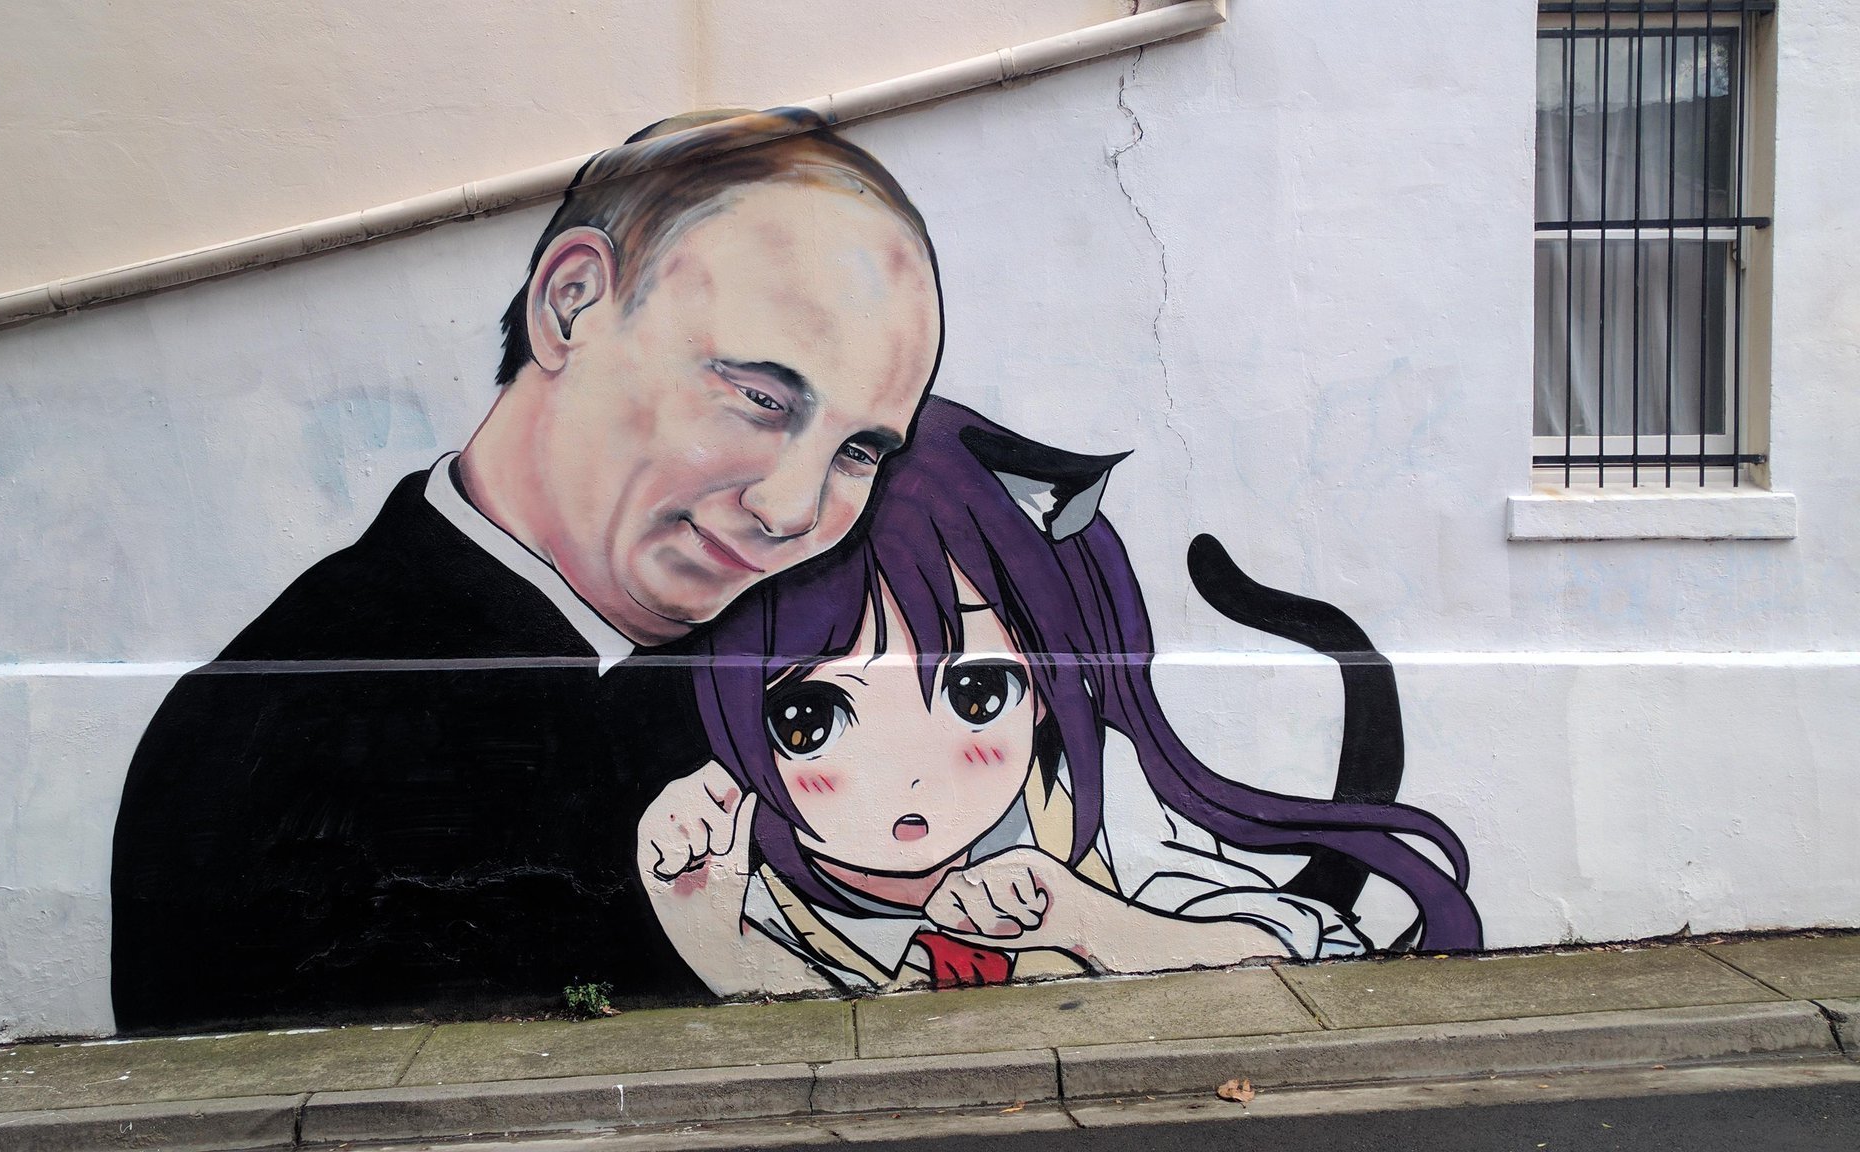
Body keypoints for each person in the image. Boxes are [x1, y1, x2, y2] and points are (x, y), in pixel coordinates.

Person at [108, 107, 945, 1030]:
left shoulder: (769, 676)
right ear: (570, 303)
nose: (792, 511)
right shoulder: (274, 731)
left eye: (859, 452)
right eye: (759, 397)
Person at [638, 399, 1482, 995]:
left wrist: (1090, 922)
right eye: (809, 718)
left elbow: (1307, 944)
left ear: (1042, 692)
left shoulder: (1085, 822)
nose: (911, 779)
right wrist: (713, 934)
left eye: (976, 692)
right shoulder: (751, 893)